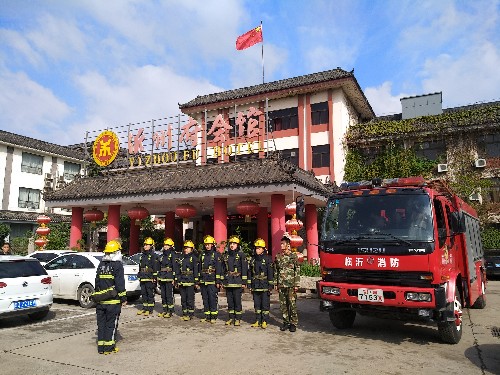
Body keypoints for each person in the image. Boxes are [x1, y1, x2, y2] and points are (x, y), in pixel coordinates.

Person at [93, 240, 127, 355]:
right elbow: (119, 284)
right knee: (111, 325)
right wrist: (123, 298)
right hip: (113, 301)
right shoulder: (117, 265)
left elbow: (97, 281)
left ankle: (101, 348)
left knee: (101, 325)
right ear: (116, 252)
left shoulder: (101, 265)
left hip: (101, 301)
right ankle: (109, 348)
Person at [221, 235, 248, 326]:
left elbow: (244, 269)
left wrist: (244, 282)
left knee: (237, 301)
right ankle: (231, 317)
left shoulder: (241, 255)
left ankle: (238, 318)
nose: (232, 245)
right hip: (228, 281)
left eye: (234, 244)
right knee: (230, 301)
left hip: (237, 281)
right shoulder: (226, 255)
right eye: (231, 243)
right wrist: (223, 280)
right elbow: (223, 268)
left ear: (238, 245)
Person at [275, 235, 300, 332]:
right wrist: (276, 283)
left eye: (283, 244)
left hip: (291, 284)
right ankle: (286, 322)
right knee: (283, 305)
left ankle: (293, 323)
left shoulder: (293, 256)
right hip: (281, 284)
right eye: (280, 244)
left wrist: (296, 284)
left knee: (292, 304)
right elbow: (276, 271)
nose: (281, 245)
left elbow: (297, 270)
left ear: (288, 245)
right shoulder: (278, 256)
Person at [249, 238, 274, 329]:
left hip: (264, 285)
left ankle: (264, 321)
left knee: (265, 304)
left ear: (263, 249)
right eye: (256, 248)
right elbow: (250, 273)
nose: (257, 250)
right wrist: (250, 284)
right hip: (255, 284)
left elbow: (270, 272)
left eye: (259, 248)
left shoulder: (268, 259)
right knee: (257, 304)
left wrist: (270, 284)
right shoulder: (253, 259)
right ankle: (257, 320)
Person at [199, 235, 222, 323]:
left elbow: (219, 268)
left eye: (209, 244)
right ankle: (207, 315)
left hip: (212, 280)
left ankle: (213, 316)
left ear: (212, 245)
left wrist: (218, 281)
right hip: (204, 280)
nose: (207, 246)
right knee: (205, 298)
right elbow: (200, 267)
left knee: (212, 298)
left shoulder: (216, 255)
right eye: (206, 244)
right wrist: (199, 279)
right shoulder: (202, 255)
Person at [175, 240, 199, 321]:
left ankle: (190, 314)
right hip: (182, 281)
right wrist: (177, 280)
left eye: (188, 248)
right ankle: (185, 313)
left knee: (190, 299)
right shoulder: (181, 258)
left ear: (192, 249)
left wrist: (196, 282)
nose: (186, 249)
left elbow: (196, 270)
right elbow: (178, 270)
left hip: (190, 281)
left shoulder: (194, 258)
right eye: (185, 248)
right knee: (183, 299)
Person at [136, 237, 159, 316]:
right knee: (144, 293)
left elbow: (155, 267)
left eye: (147, 245)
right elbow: (140, 266)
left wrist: (154, 278)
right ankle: (144, 307)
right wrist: (139, 275)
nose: (145, 246)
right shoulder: (142, 256)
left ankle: (150, 309)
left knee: (150, 293)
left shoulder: (153, 255)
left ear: (151, 246)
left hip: (149, 277)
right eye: (144, 245)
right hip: (143, 277)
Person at [157, 238, 177, 318]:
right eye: (165, 245)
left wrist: (174, 278)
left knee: (169, 295)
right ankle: (165, 310)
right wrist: (158, 276)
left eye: (167, 245)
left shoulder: (173, 255)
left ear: (171, 246)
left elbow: (175, 267)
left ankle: (170, 311)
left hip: (169, 277)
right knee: (163, 295)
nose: (165, 246)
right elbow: (159, 267)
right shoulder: (162, 256)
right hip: (162, 277)